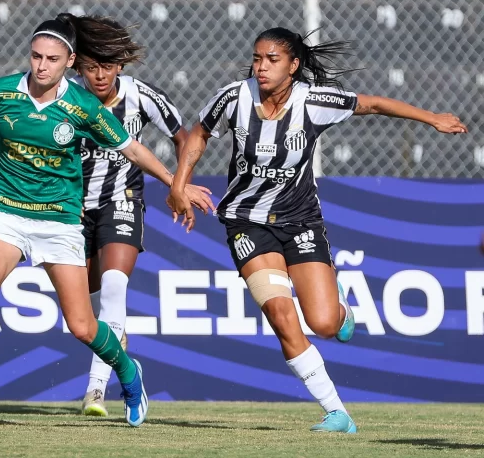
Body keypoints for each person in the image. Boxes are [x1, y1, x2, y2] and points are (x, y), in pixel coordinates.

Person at [0, 14, 213, 428]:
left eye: (52, 59)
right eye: (36, 56)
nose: (41, 66)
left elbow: (133, 150)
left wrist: (177, 185)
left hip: (58, 220)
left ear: (69, 61)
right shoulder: (0, 92)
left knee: (82, 326)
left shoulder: (83, 106)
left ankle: (129, 372)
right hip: (5, 209)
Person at [167, 27, 467, 433]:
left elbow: (374, 104)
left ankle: (338, 303)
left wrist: (432, 119)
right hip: (247, 223)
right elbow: (199, 133)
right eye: (257, 58)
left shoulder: (314, 101)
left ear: (293, 66)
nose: (261, 67)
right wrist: (178, 184)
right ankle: (336, 412)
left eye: (272, 60)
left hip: (301, 221)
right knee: (280, 313)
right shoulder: (234, 97)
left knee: (324, 324)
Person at [66, 15, 193, 416]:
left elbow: (182, 135)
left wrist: (179, 185)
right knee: (88, 309)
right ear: (76, 65)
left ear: (120, 64)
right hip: (69, 207)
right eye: (89, 66)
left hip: (123, 199)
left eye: (107, 66)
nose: (99, 75)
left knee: (115, 286)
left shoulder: (142, 96)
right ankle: (124, 362)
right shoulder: (62, 94)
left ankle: (96, 390)